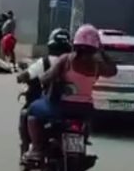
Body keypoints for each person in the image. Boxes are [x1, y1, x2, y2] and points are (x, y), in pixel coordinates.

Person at [23, 24, 117, 161]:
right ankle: (82, 141)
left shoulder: (66, 60)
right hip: (85, 110)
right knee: (85, 122)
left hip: (61, 108)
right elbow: (113, 71)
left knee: (32, 112)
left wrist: (40, 80)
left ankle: (37, 149)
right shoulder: (98, 65)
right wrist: (102, 52)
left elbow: (48, 76)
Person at [16, 28, 72, 154]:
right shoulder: (75, 62)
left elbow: (27, 75)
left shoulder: (44, 62)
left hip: (51, 104)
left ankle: (32, 147)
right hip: (74, 106)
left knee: (27, 113)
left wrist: (21, 77)